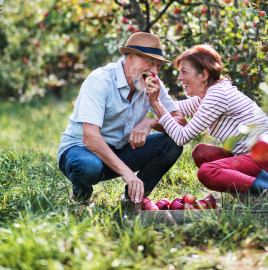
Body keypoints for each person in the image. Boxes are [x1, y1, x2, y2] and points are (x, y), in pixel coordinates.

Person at [145, 44, 268, 198]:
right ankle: (251, 196)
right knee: (201, 153)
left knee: (207, 172)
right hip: (262, 162)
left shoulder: (218, 96)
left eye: (184, 72)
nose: (179, 77)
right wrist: (149, 91)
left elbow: (181, 137)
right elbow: (172, 109)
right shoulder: (208, 96)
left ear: (204, 74)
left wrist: (155, 104)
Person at [57, 33, 186, 203]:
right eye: (149, 63)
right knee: (88, 167)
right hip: (82, 149)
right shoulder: (100, 80)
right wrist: (127, 173)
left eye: (158, 66)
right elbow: (90, 137)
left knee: (172, 143)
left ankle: (131, 200)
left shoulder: (153, 83)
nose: (154, 71)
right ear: (131, 57)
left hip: (121, 150)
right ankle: (81, 195)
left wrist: (152, 121)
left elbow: (181, 123)